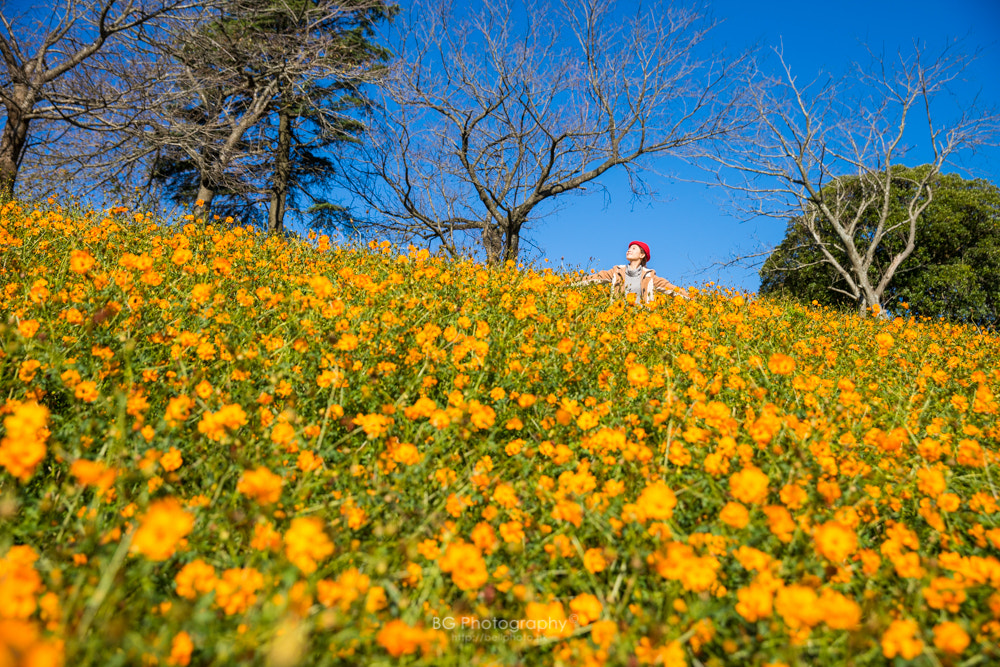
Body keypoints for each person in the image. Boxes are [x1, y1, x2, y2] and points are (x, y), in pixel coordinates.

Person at [574, 241, 690, 304]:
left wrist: (691, 298)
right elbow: (595, 278)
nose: (629, 250)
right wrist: (571, 282)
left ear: (642, 255)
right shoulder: (617, 271)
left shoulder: (649, 275)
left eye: (634, 248)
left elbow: (669, 288)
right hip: (619, 317)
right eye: (629, 248)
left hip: (642, 319)